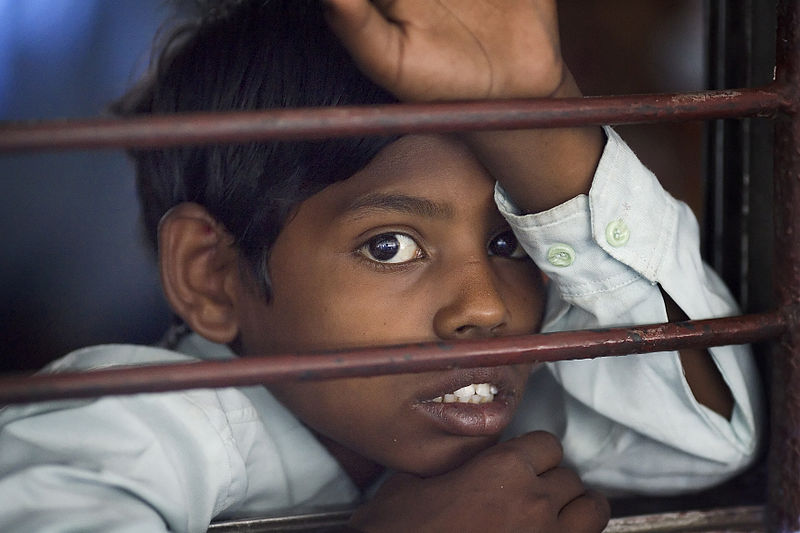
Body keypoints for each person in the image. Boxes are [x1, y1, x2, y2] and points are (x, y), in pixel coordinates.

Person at [0, 1, 762, 531]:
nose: (485, 307)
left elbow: (701, 436)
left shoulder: (510, 410)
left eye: (508, 244)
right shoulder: (119, 435)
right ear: (212, 274)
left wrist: (539, 112)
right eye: (389, 245)